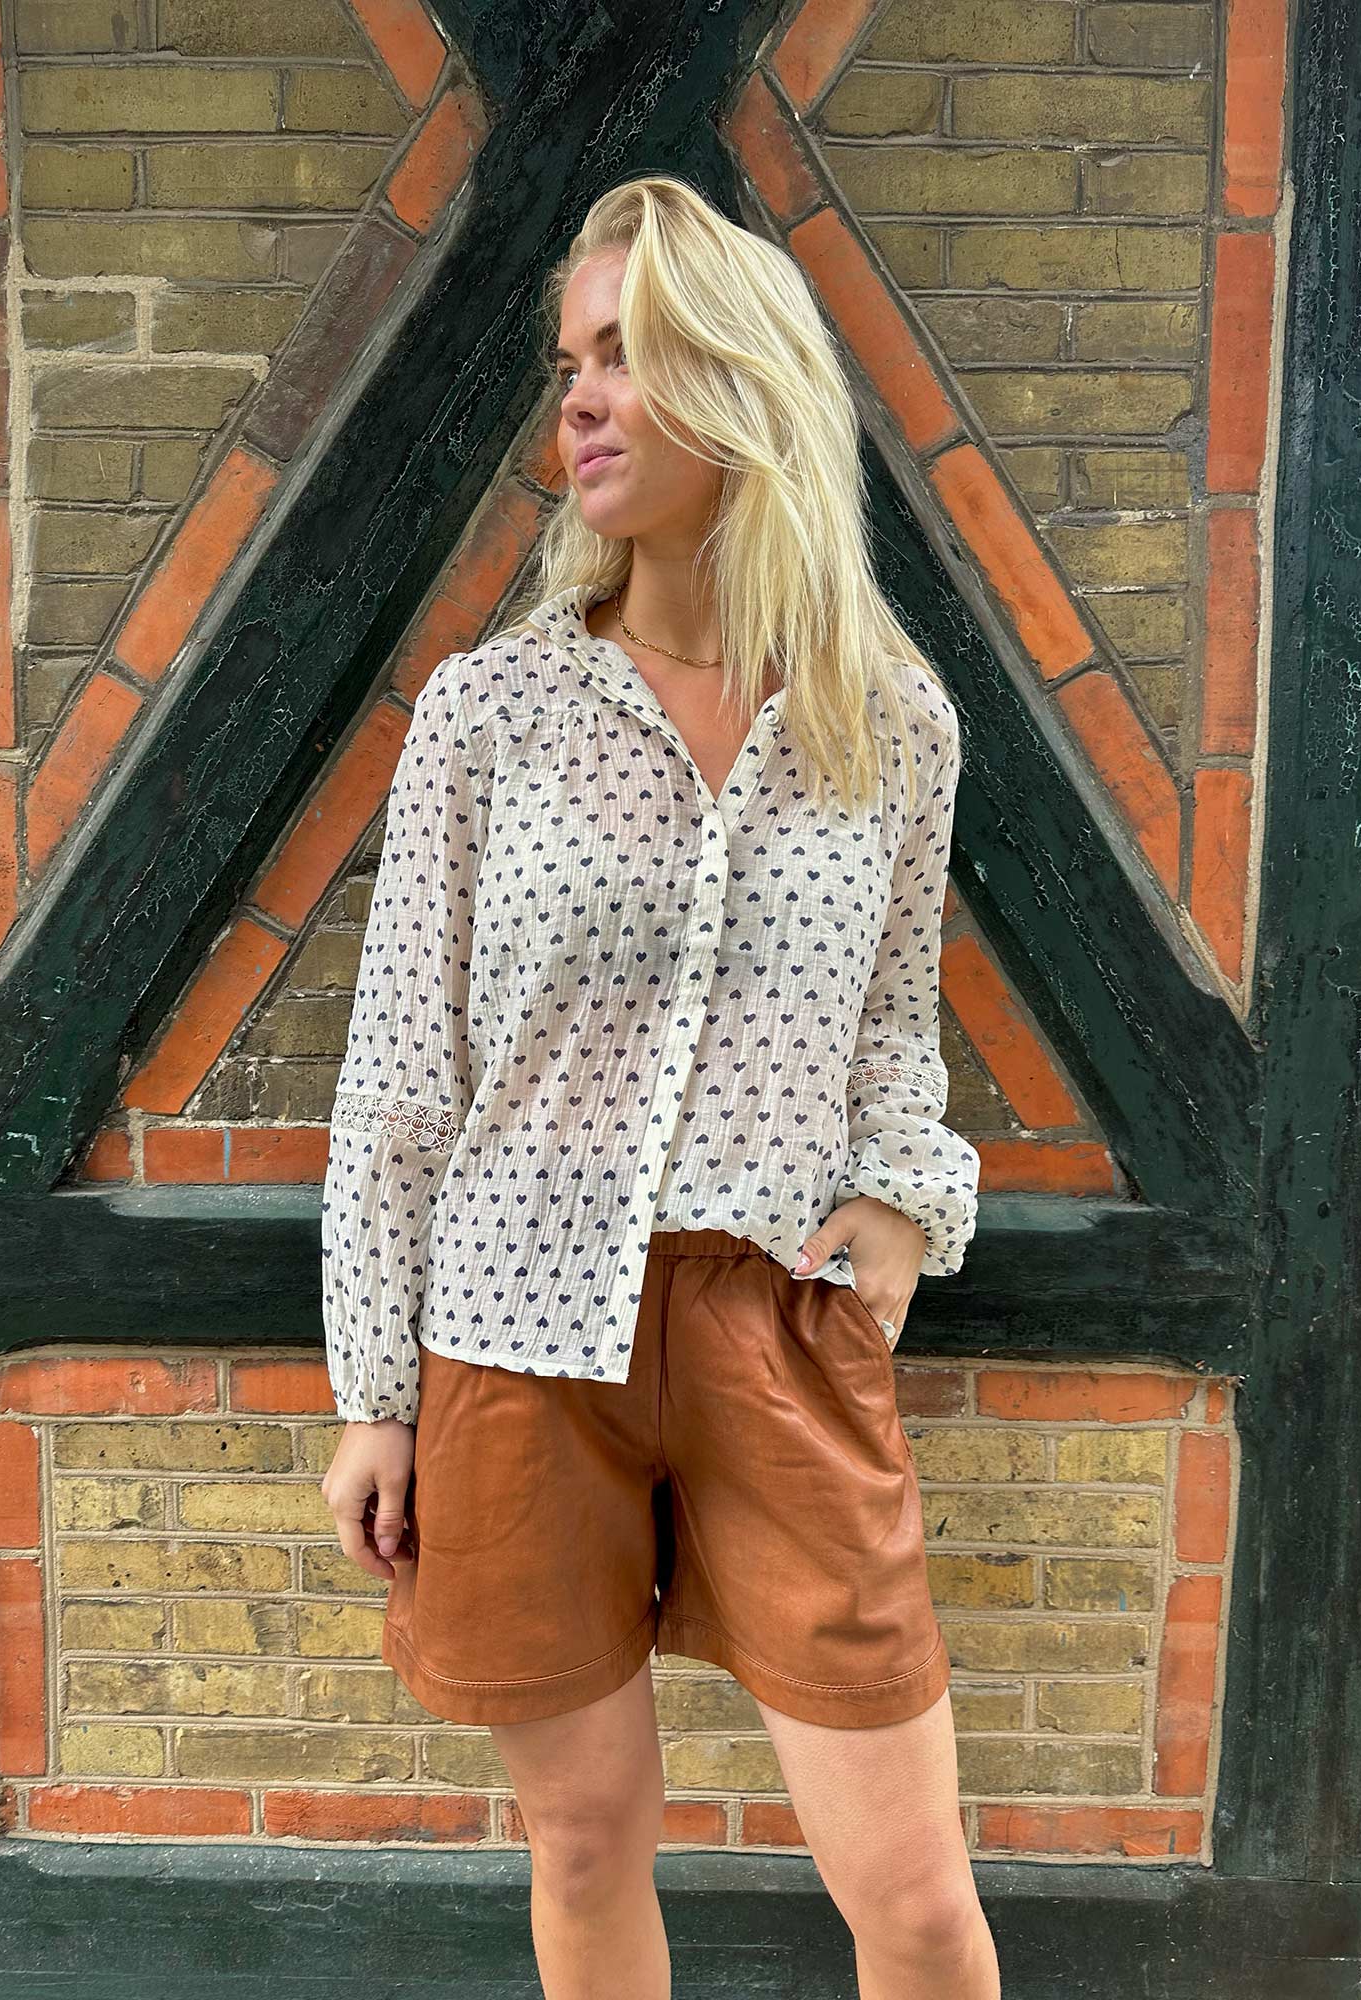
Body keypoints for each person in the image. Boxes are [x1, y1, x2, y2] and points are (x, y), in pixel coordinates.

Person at [319, 174, 1000, 1999]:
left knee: (914, 1896)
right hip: (514, 1340)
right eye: (572, 366)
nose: (583, 403)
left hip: (776, 1322)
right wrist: (377, 1393)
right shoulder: (491, 712)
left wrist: (906, 1203)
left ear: (744, 382)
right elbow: (400, 1074)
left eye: (627, 356)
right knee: (588, 1836)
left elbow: (894, 1027)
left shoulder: (891, 720)